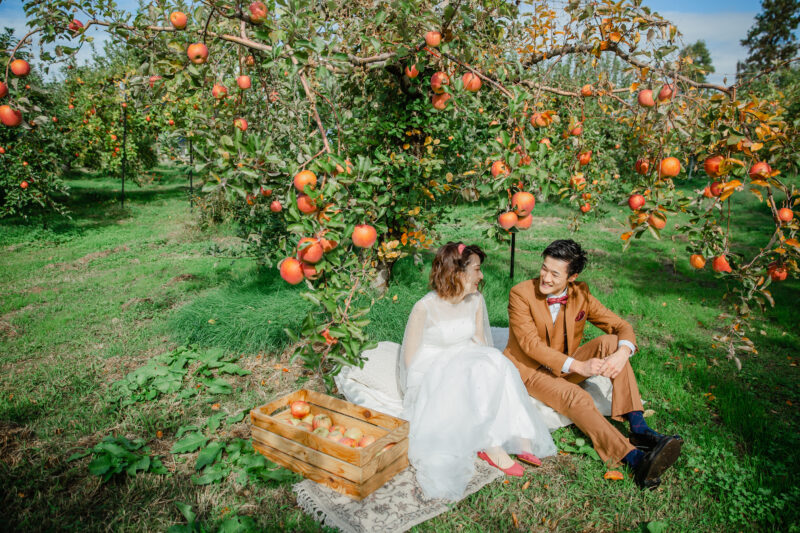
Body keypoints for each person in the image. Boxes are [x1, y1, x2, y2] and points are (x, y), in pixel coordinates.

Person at [503, 239, 682, 489]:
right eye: (544, 268)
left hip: (565, 366)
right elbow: (531, 345)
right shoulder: (521, 293)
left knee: (612, 341)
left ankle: (638, 426)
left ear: (572, 277)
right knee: (577, 398)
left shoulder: (581, 295)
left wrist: (622, 353)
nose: (545, 277)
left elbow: (622, 326)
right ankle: (634, 458)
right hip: (530, 371)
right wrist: (580, 367)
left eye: (555, 273)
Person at [397, 242, 556, 500]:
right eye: (477, 269)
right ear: (456, 272)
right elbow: (410, 360)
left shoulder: (476, 300)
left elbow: (481, 340)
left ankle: (519, 434)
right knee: (471, 371)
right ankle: (490, 444)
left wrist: (489, 363)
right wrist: (423, 393)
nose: (481, 276)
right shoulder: (424, 307)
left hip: (465, 357)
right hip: (432, 370)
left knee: (496, 362)